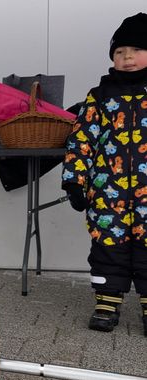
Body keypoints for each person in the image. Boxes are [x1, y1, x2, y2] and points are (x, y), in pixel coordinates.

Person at [62, 12, 147, 336]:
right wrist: (74, 180)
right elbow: (82, 139)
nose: (127, 58)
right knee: (107, 248)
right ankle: (106, 303)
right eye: (120, 52)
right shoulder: (100, 96)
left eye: (136, 50)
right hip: (107, 194)